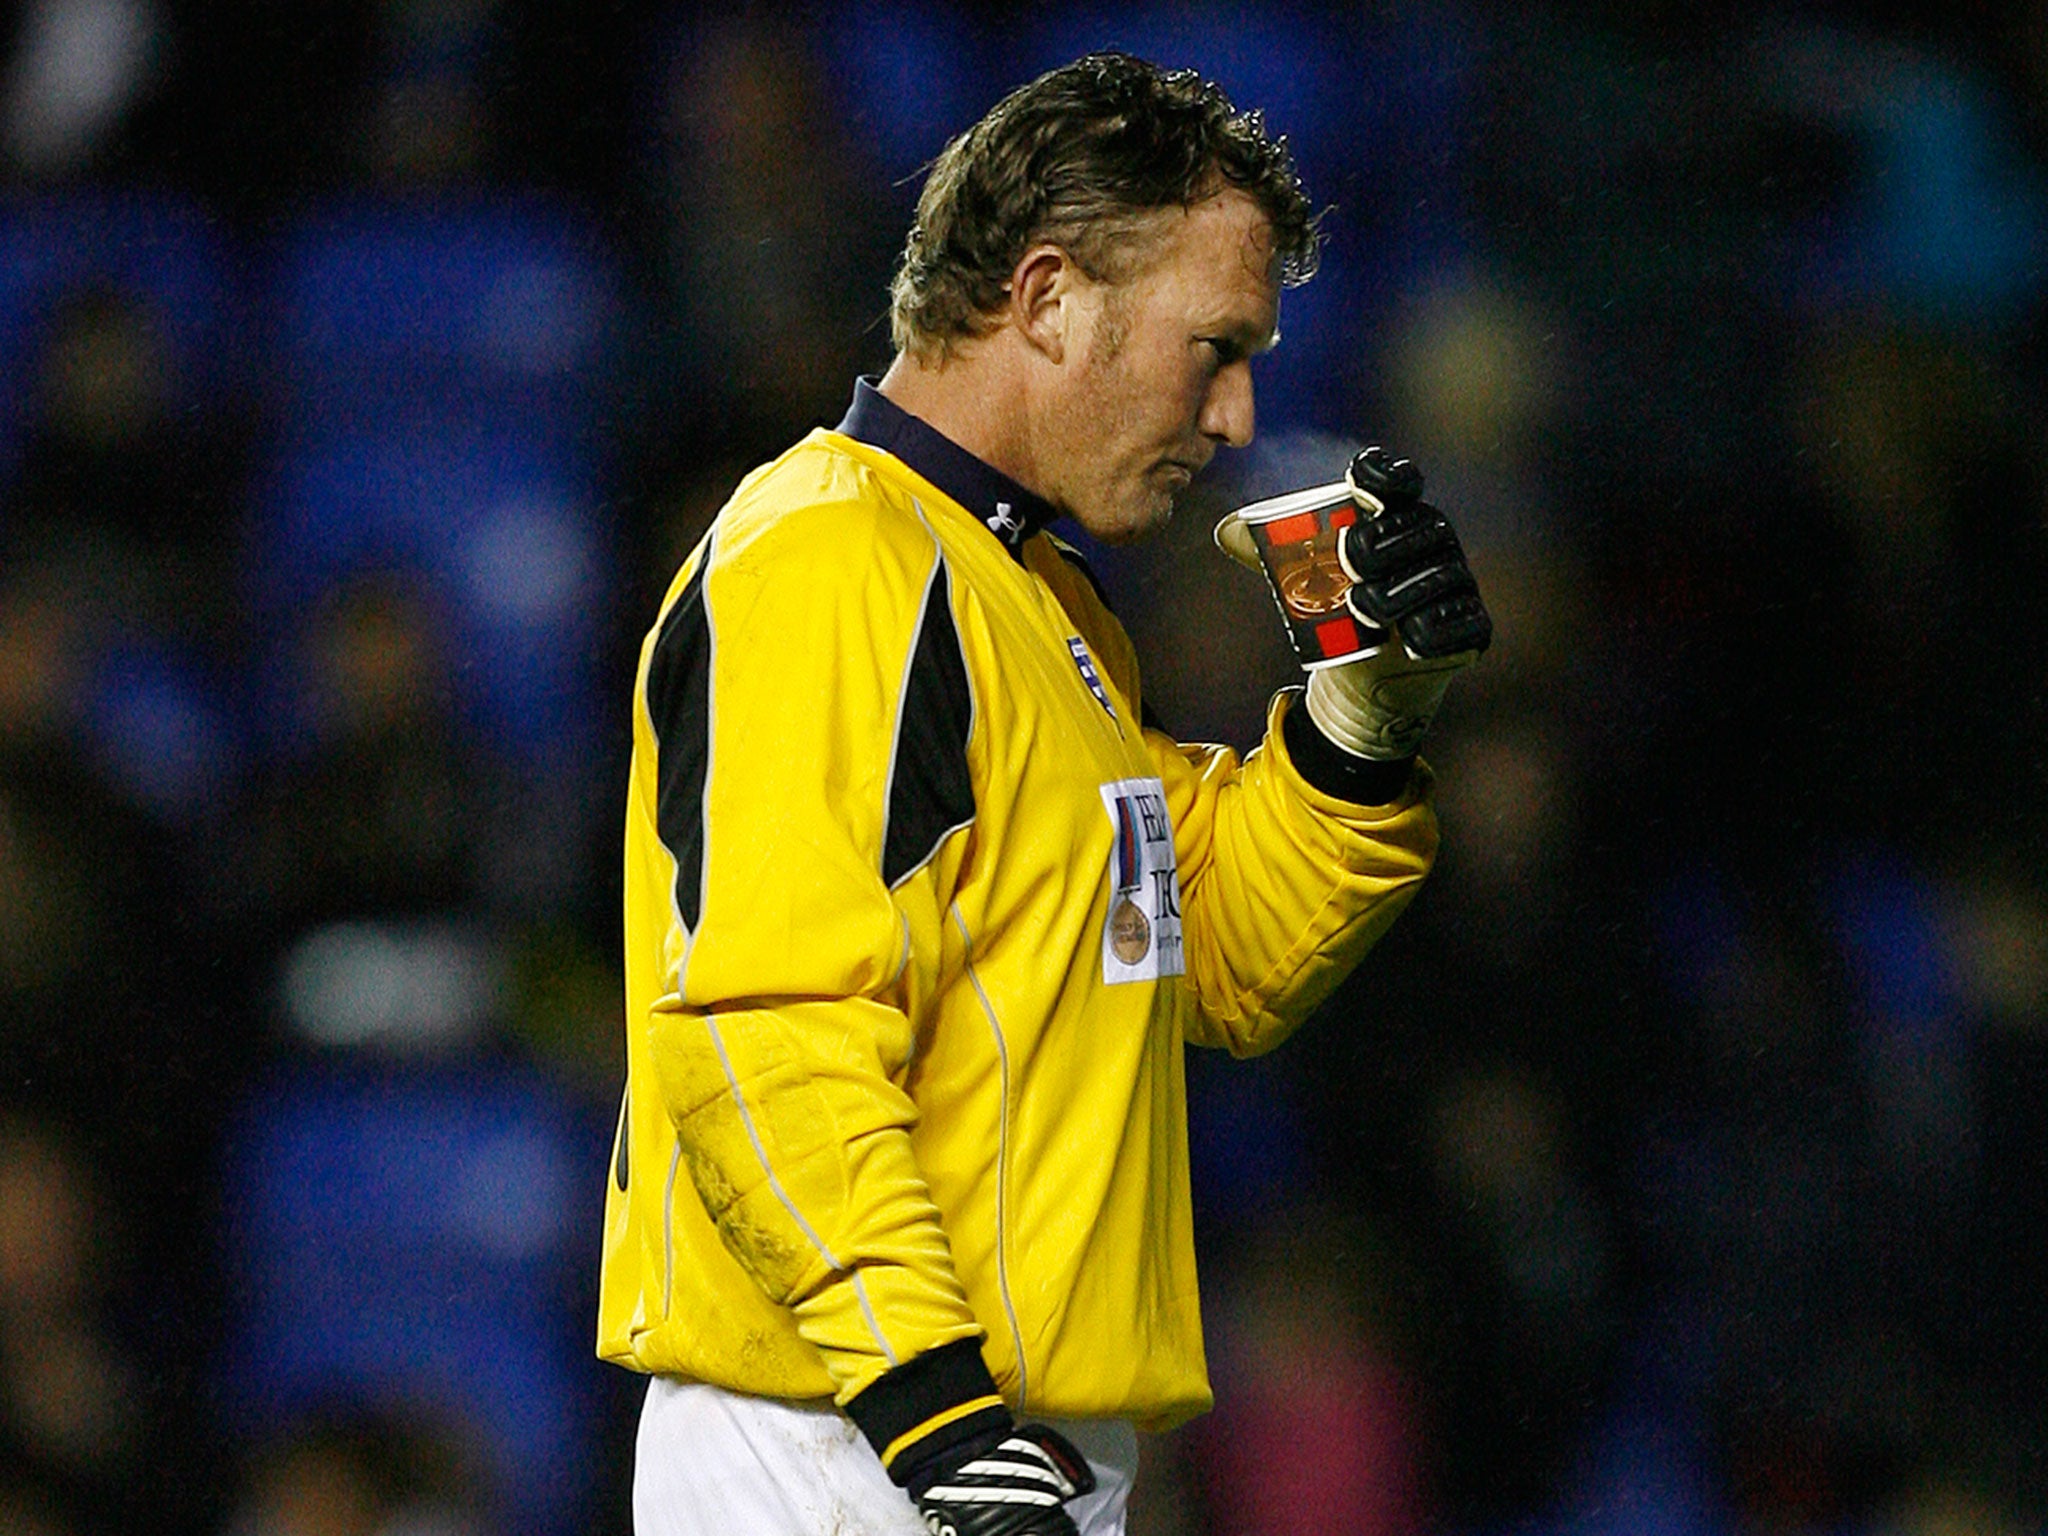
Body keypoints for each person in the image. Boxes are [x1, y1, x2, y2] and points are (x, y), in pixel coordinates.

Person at [597, 50, 1490, 1536]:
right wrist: (929, 1412)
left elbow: (1213, 956)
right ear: (1048, 297)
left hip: (967, 1443)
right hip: (857, 1445)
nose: (1233, 415)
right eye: (1213, 348)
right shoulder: (835, 560)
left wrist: (1358, 721)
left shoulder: (1025, 592)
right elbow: (761, 1035)